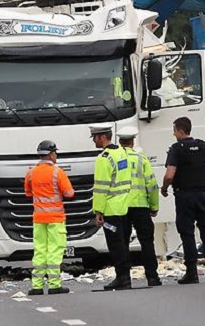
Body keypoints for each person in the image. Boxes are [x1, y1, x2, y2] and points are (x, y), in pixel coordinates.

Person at [161, 117, 205, 284]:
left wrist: (165, 188)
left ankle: (192, 272)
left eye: (174, 131)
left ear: (180, 131)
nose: (174, 134)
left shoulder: (176, 148)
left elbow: (169, 175)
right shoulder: (203, 146)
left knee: (187, 233)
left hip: (185, 195)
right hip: (202, 193)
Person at [24, 140, 75, 295]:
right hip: (55, 218)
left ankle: (37, 286)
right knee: (55, 250)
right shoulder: (57, 172)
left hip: (38, 219)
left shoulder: (31, 172)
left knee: (39, 250)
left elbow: (28, 193)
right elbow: (69, 193)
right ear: (51, 154)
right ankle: (54, 285)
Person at [116, 126, 161, 287]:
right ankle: (152, 277)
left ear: (120, 142)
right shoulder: (141, 158)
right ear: (133, 141)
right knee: (147, 241)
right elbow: (152, 183)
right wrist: (154, 206)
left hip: (121, 207)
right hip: (141, 206)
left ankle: (125, 278)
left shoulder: (115, 158)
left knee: (123, 242)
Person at [90, 123, 132, 290]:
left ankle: (122, 278)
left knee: (115, 245)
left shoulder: (104, 158)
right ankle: (125, 276)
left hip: (110, 209)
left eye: (95, 137)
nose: (94, 141)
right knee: (123, 243)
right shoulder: (122, 153)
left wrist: (98, 211)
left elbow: (101, 188)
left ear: (102, 137)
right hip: (124, 207)